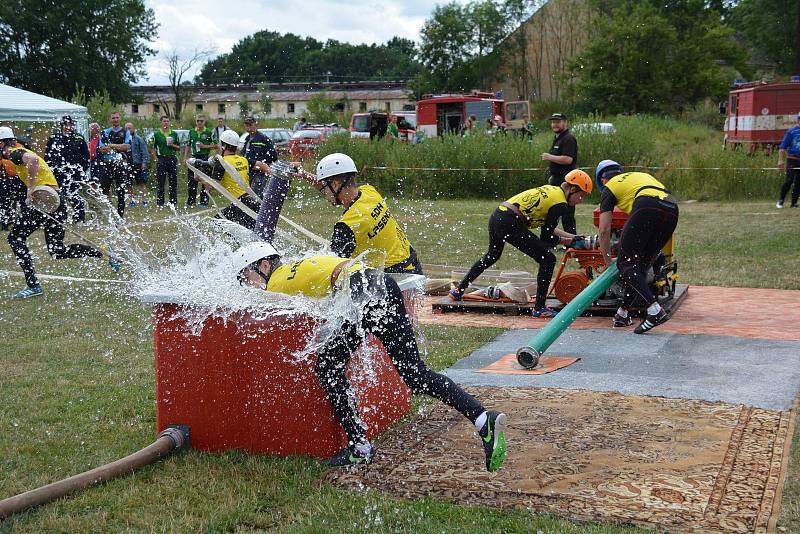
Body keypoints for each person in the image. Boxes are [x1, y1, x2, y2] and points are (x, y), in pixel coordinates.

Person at [231, 241, 508, 470]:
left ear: (264, 266)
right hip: (383, 285)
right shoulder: (296, 265)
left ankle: (360, 447)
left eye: (246, 277)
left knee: (327, 365)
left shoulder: (276, 283)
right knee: (414, 374)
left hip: (362, 293)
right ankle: (483, 419)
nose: (247, 286)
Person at [449, 169, 594, 318]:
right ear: (572, 189)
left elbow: (549, 228)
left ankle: (458, 291)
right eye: (581, 195)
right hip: (511, 222)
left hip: (499, 215)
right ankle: (539, 308)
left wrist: (574, 237)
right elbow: (546, 237)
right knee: (548, 259)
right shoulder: (561, 204)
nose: (581, 200)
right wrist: (569, 242)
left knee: (492, 256)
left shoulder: (554, 192)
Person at [0, 126, 118, 299]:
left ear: (2, 143)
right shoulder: (17, 150)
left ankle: (33, 286)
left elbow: (32, 160)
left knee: (15, 238)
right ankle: (104, 252)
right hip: (55, 201)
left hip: (45, 201)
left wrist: (30, 188)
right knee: (57, 250)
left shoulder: (13, 153)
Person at [595, 159, 679, 334]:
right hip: (672, 208)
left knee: (625, 264)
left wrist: (607, 260)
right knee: (640, 265)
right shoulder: (639, 176)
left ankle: (655, 310)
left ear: (602, 180)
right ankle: (623, 313)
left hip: (647, 204)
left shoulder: (610, 187)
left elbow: (604, 230)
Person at [303, 153, 422, 274]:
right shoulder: (369, 192)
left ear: (334, 184)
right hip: (414, 267)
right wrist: (304, 175)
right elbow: (333, 185)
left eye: (325, 187)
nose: (324, 193)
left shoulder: (347, 226)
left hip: (394, 280)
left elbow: (332, 268)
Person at [187, 129, 262, 230]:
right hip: (252, 201)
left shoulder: (222, 162)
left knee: (218, 223)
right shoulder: (243, 159)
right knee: (251, 232)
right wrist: (271, 172)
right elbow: (261, 165)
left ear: (224, 146)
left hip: (241, 203)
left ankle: (237, 242)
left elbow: (211, 187)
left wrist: (199, 178)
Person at [44, 115, 89, 222]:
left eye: (70, 124)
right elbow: (47, 156)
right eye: (66, 124)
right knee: (59, 196)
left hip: (75, 173)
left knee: (75, 196)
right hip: (58, 173)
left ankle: (79, 218)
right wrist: (49, 170)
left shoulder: (79, 137)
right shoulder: (54, 138)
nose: (68, 127)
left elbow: (85, 156)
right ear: (62, 125)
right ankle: (60, 218)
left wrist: (82, 170)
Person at [541, 112, 578, 233]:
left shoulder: (568, 139)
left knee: (567, 213)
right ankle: (550, 240)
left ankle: (572, 243)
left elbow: (568, 159)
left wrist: (549, 157)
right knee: (552, 211)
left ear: (565, 122)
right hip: (556, 179)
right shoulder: (558, 138)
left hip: (567, 181)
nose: (554, 124)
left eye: (557, 122)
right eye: (553, 122)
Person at [97, 111, 132, 217]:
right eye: (113, 118)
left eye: (117, 117)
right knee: (104, 190)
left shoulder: (126, 131)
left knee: (121, 192)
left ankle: (120, 216)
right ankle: (106, 215)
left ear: (120, 118)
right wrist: (118, 146)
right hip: (107, 164)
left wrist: (111, 145)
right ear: (110, 119)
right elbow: (102, 149)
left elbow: (127, 146)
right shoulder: (105, 132)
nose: (115, 119)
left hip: (120, 164)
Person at [242, 116, 277, 198]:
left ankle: (260, 209)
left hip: (260, 172)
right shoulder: (247, 139)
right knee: (247, 193)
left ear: (255, 125)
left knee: (257, 193)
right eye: (247, 125)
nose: (249, 128)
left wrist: (263, 165)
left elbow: (273, 156)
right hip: (249, 171)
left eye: (250, 125)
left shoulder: (263, 138)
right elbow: (244, 154)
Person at [184, 115, 214, 207]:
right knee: (192, 180)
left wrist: (204, 146)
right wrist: (185, 157)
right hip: (194, 157)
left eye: (201, 121)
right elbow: (188, 145)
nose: (199, 122)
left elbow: (216, 145)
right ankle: (191, 201)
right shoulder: (192, 132)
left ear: (204, 122)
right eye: (198, 121)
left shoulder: (209, 132)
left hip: (205, 157)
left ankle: (203, 201)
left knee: (205, 179)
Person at [151, 115, 180, 207]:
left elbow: (179, 148)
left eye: (167, 121)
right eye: (164, 121)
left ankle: (173, 202)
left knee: (173, 181)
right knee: (161, 182)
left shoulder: (174, 134)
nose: (166, 123)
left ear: (169, 123)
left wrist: (172, 145)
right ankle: (160, 202)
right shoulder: (157, 134)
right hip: (161, 158)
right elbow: (152, 148)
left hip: (171, 158)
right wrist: (156, 159)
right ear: (161, 123)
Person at [776, 112, 800, 209]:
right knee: (789, 180)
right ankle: (781, 200)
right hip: (792, 159)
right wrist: (780, 161)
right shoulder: (791, 132)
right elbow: (782, 147)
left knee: (799, 182)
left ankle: (793, 203)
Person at [126, 123, 150, 207]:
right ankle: (132, 200)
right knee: (128, 184)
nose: (128, 130)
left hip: (138, 164)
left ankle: (145, 201)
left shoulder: (139, 139)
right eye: (127, 128)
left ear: (133, 129)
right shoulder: (124, 140)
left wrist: (144, 163)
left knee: (141, 183)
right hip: (127, 164)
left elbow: (144, 152)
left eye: (130, 128)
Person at [0, 153, 23, 231]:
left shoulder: (20, 146)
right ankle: (4, 223)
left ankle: (21, 221)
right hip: (4, 179)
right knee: (5, 202)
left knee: (20, 200)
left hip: (18, 179)